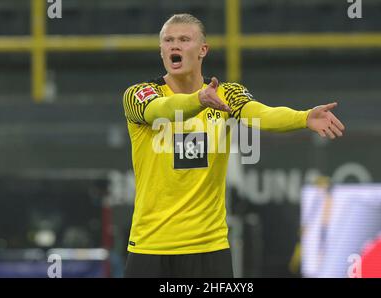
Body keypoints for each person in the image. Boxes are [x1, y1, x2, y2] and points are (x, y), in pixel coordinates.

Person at [122, 13, 345, 278]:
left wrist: (303, 117)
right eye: (168, 40)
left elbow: (259, 113)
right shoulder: (140, 94)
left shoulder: (227, 94)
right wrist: (198, 100)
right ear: (161, 50)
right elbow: (163, 110)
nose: (175, 45)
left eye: (184, 39)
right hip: (151, 246)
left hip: (209, 246)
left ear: (203, 49)